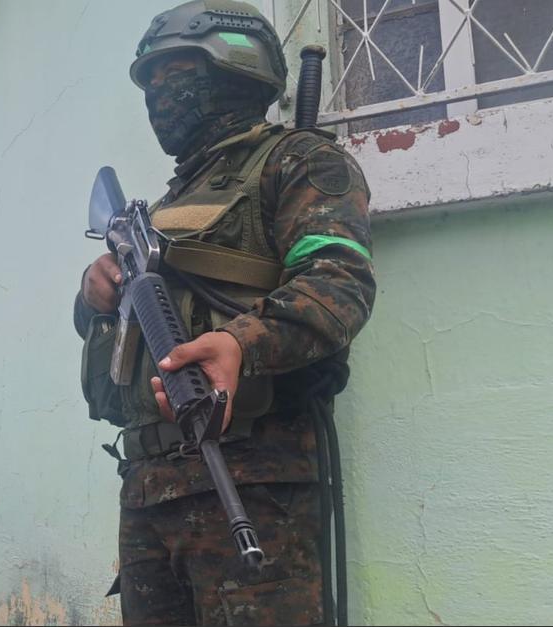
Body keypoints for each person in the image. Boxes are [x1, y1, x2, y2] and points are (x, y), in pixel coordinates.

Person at [74, 1, 376, 625]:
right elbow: (121, 332)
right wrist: (94, 291)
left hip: (252, 483)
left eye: (173, 71)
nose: (157, 93)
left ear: (236, 67)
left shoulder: (298, 160)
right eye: (148, 80)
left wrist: (242, 343)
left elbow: (339, 282)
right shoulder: (167, 204)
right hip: (149, 485)